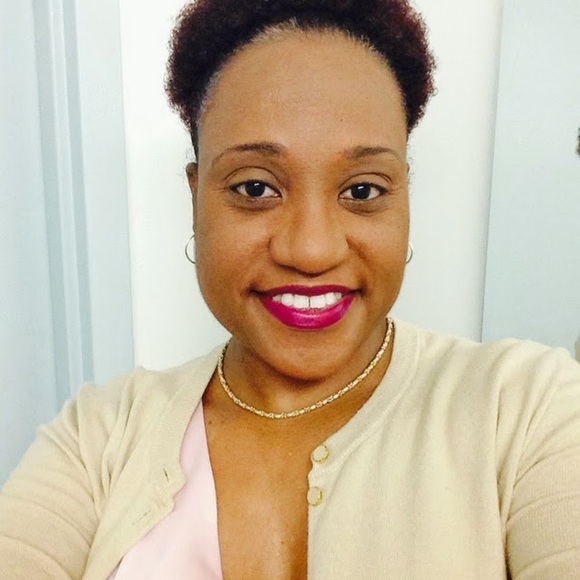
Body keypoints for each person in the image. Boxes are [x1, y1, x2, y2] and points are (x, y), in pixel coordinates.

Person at [2, 0, 580, 578]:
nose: (311, 250)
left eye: (362, 191)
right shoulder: (99, 439)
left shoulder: (527, 410)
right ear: (195, 197)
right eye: (255, 188)